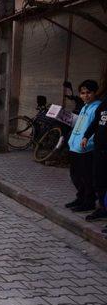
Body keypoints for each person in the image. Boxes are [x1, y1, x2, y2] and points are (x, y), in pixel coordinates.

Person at [66, 80, 102, 213]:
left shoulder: (97, 107)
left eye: (88, 93)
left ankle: (89, 202)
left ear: (94, 93)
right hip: (75, 146)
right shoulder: (84, 107)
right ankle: (80, 198)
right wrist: (71, 141)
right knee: (75, 175)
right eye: (82, 93)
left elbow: (95, 128)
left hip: (86, 148)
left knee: (87, 177)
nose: (85, 96)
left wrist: (88, 142)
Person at [81, 93, 107, 221]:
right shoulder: (104, 103)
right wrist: (86, 135)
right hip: (99, 149)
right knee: (99, 181)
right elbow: (96, 122)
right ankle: (103, 208)